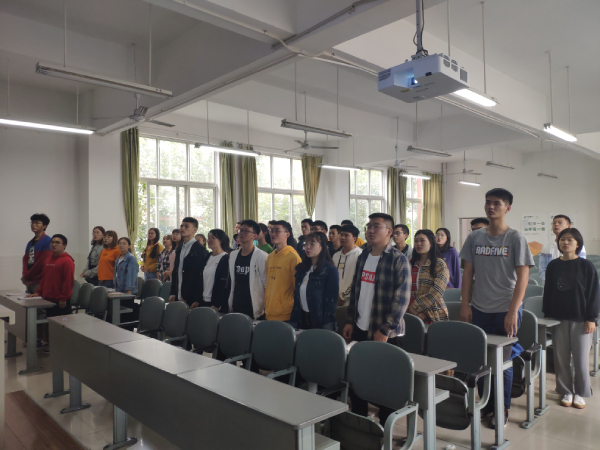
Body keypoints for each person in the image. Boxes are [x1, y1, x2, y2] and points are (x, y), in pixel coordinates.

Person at [459, 188, 533, 428]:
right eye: (488, 202)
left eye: (497, 203)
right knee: (481, 360)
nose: (491, 207)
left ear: (507, 208)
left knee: (502, 361)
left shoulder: (515, 238)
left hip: (505, 308)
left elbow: (523, 278)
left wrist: (513, 311)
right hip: (479, 308)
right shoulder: (475, 237)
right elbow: (467, 273)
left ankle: (502, 407)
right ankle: (485, 404)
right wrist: (465, 304)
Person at [342, 213, 411, 425]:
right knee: (358, 376)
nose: (370, 230)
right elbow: (356, 291)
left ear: (389, 232)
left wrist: (386, 328)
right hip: (361, 326)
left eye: (376, 226)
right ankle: (359, 421)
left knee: (385, 381)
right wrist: (350, 320)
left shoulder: (398, 259)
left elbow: (402, 298)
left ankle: (385, 426)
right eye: (369, 226)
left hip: (386, 331)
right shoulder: (363, 256)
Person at [542, 228, 599, 410]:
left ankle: (581, 392)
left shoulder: (586, 266)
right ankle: (565, 390)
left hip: (581, 319)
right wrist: (547, 314)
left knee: (581, 359)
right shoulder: (553, 265)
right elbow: (548, 291)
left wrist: (592, 318)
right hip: (558, 318)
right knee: (561, 358)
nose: (565, 242)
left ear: (577, 243)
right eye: (562, 239)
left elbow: (593, 294)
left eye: (570, 240)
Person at [289, 233, 339, 330]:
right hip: (301, 319)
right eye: (306, 243)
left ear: (322, 247)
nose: (308, 247)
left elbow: (331, 303)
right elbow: (297, 298)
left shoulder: (329, 270)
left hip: (320, 321)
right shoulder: (301, 269)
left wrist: (327, 325)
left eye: (312, 243)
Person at [228, 220, 268, 319]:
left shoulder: (261, 256)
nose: (242, 233)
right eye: (241, 230)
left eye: (246, 231)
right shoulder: (233, 255)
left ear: (254, 236)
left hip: (254, 306)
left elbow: (266, 283)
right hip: (236, 303)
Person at [27, 234, 74, 318]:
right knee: (49, 322)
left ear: (64, 246)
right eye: (52, 242)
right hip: (48, 299)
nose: (54, 244)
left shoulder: (67, 261)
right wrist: (38, 292)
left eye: (57, 243)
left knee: (60, 324)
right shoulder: (48, 260)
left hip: (60, 300)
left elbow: (68, 282)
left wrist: (63, 298)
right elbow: (44, 279)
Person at [408, 230, 449, 323]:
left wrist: (415, 307)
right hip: (409, 311)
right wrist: (410, 308)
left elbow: (438, 290)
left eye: (422, 240)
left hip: (433, 311)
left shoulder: (439, 264)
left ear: (431, 243)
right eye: (416, 241)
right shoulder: (410, 263)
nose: (418, 244)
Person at [265, 221, 302, 321]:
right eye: (271, 231)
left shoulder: (293, 257)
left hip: (286, 313)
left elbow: (297, 287)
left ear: (287, 234)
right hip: (269, 311)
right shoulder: (270, 256)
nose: (273, 234)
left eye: (277, 231)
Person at [169, 217, 209, 308]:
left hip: (192, 298)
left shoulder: (199, 250)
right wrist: (173, 293)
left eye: (186, 226)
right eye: (181, 226)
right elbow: (176, 272)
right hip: (179, 294)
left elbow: (199, 276)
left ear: (194, 230)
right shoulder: (179, 248)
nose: (182, 228)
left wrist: (195, 298)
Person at [539, 214, 587, 281]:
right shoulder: (546, 246)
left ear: (569, 226)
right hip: (551, 283)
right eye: (554, 223)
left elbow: (581, 268)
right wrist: (548, 282)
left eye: (560, 222)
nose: (556, 224)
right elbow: (542, 269)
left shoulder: (576, 246)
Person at [332, 225, 362, 307]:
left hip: (352, 299)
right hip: (335, 298)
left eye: (346, 235)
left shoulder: (360, 255)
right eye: (341, 235)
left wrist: (343, 296)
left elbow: (358, 279)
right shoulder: (336, 255)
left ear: (354, 238)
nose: (342, 238)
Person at [202, 229, 231, 312]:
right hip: (204, 299)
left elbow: (224, 283)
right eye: (208, 238)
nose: (209, 240)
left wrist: (218, 303)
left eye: (213, 238)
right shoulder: (207, 257)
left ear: (220, 240)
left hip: (216, 303)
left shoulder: (226, 258)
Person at [22, 213, 52, 294]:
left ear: (44, 226)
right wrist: (25, 276)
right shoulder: (30, 243)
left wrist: (27, 276)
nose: (33, 225)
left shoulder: (48, 241)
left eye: (37, 223)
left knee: (39, 301)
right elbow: (25, 260)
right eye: (32, 222)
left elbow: (42, 262)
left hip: (40, 281)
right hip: (29, 281)